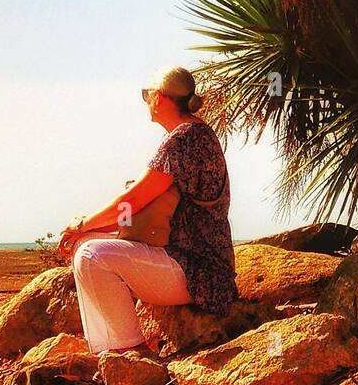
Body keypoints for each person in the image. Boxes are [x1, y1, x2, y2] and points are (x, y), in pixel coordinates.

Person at [56, 67, 238, 356]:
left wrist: (82, 224)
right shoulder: (192, 134)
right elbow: (139, 210)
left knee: (92, 255)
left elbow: (133, 200)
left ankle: (133, 354)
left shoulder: (184, 139)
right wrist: (89, 231)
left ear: (161, 98)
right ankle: (107, 351)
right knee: (85, 246)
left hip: (197, 270)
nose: (146, 100)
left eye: (147, 94)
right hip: (184, 260)